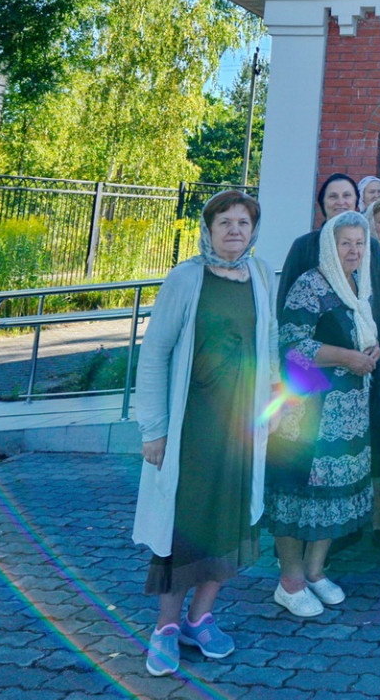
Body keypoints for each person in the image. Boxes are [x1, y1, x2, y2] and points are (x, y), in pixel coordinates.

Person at [133, 191, 277, 677]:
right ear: (209, 227)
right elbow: (155, 353)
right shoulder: (186, 278)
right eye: (225, 222)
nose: (235, 230)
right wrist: (153, 428)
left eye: (243, 222)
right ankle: (166, 629)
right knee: (185, 526)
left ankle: (200, 619)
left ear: (253, 230)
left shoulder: (259, 275)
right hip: (191, 428)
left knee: (230, 520)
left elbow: (269, 342)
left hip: (240, 425)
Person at [265, 210, 380, 618]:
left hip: (348, 410)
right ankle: (290, 581)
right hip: (310, 409)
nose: (353, 250)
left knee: (333, 494)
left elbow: (365, 333)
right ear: (329, 246)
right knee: (298, 494)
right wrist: (347, 357)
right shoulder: (309, 284)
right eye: (345, 242)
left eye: (359, 243)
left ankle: (314, 572)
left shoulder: (357, 284)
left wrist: (371, 351)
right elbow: (291, 344)